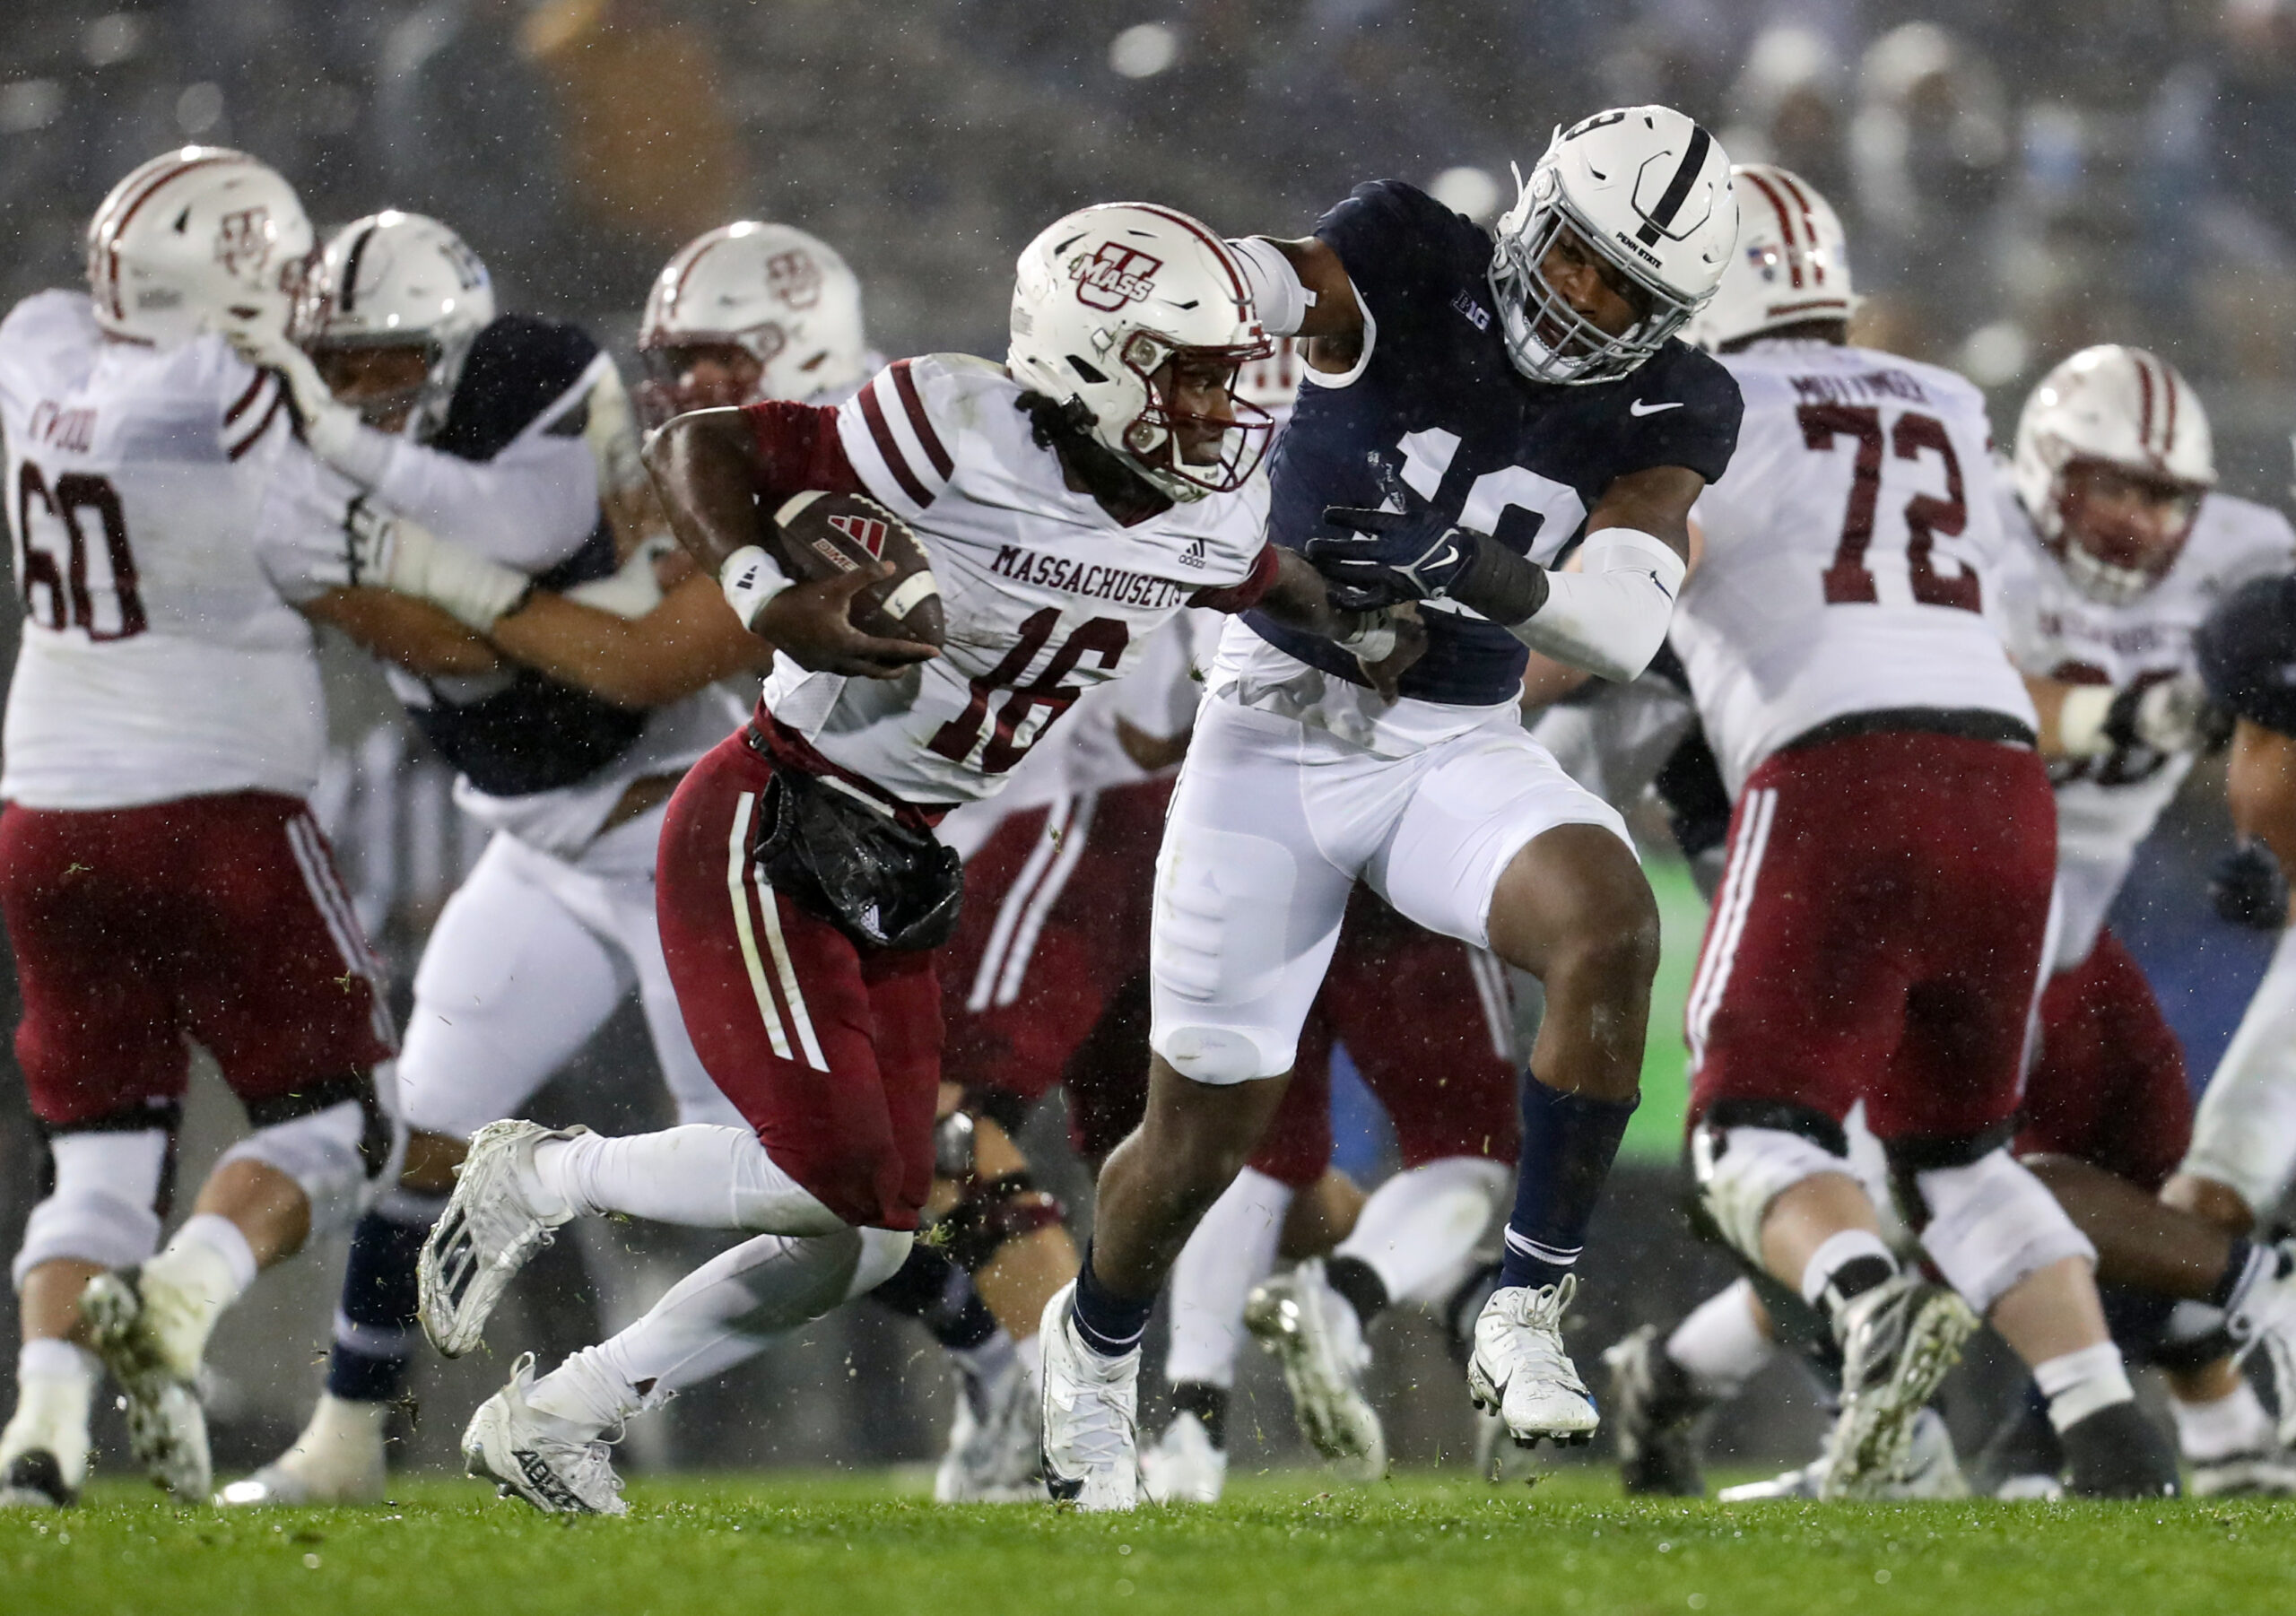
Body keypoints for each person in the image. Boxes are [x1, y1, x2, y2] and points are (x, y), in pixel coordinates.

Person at [399, 202, 1405, 1515]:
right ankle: (538, 1172)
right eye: (1191, 370)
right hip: (772, 817)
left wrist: (1387, 619)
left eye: (1222, 372)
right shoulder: (951, 422)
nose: (1218, 406)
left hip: (900, 858)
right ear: (1097, 356)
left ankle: (566, 1412)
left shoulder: (1200, 521)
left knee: (871, 1231)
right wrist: (770, 593)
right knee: (846, 1180)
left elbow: (1299, 594)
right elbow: (702, 441)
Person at [1042, 105, 1744, 1511]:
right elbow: (1278, 282)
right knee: (1200, 1138)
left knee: (1608, 923)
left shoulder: (1680, 403)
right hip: (1272, 721)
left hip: (1447, 739)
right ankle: (1098, 1344)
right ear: (1530, 213)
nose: (1587, 300)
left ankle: (1527, 1306)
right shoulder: (1409, 248)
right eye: (1579, 259)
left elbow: (1613, 623)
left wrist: (1464, 566)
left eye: (1629, 292)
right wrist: (1206, 286)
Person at [1613, 337, 2296, 1499]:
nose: (2134, 521)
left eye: (2162, 494)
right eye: (2108, 486)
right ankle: (2063, 1421)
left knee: (2061, 1183)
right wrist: (2121, 710)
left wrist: (2257, 846)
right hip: (1957, 882)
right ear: (2038, 471)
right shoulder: (1964, 519)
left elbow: (2269, 705)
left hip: (2056, 920)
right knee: (1924, 1181)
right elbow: (1962, 685)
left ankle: (2161, 1435)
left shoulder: (2244, 555)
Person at [213, 211, 769, 1505]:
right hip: (535, 845)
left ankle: (984, 1353)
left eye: (383, 360)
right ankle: (343, 1442)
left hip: (673, 823)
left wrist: (377, 555)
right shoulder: (316, 456)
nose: (356, 392)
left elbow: (498, 604)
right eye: (334, 365)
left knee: (780, 1171)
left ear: (453, 349)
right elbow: (458, 644)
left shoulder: (532, 387)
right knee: (424, 1136)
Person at [1663, 163, 2179, 1500]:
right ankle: (2108, 1421)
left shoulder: (1703, 401)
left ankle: (1860, 1297)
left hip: (1841, 771)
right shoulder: (1949, 402)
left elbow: (1626, 584)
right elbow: (1994, 632)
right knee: (1954, 1147)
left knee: (1744, 1130)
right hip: (2002, 780)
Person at [0, 149, 400, 1508]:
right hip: (218, 803)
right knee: (346, 1120)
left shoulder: (35, 343)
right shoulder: (234, 392)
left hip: (47, 813)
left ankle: (41, 1428)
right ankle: (182, 1291)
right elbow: (350, 515)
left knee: (102, 1146)